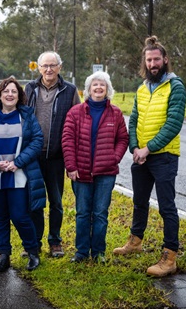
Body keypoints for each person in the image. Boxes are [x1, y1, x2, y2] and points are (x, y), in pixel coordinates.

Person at [113, 36, 186, 277]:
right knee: (140, 202)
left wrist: (149, 148)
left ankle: (170, 257)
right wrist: (135, 148)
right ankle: (135, 242)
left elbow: (173, 124)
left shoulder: (175, 86)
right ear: (145, 62)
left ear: (165, 59)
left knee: (167, 207)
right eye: (149, 60)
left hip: (164, 156)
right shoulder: (143, 88)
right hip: (141, 156)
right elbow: (133, 120)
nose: (153, 63)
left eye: (157, 59)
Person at [0, 76, 46, 272]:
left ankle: (32, 252)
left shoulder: (27, 115)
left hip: (20, 175)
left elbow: (37, 141)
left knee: (20, 216)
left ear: (19, 95)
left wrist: (18, 163)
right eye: (6, 91)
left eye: (14, 91)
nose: (10, 94)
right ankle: (4, 255)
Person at [62, 71, 129, 263]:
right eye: (95, 85)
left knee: (100, 213)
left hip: (106, 173)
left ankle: (98, 252)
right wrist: (71, 166)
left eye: (102, 85)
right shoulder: (75, 112)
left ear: (108, 89)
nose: (99, 88)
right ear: (88, 90)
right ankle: (81, 252)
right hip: (81, 171)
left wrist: (114, 158)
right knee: (83, 212)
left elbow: (123, 138)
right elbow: (67, 140)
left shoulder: (115, 113)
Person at [24, 51, 81, 258]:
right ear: (38, 68)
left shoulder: (70, 90)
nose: (49, 69)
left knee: (56, 201)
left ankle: (55, 241)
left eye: (53, 65)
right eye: (45, 66)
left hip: (57, 156)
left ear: (60, 67)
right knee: (35, 201)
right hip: (33, 156)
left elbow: (77, 122)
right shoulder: (29, 89)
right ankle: (35, 242)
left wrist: (73, 156)